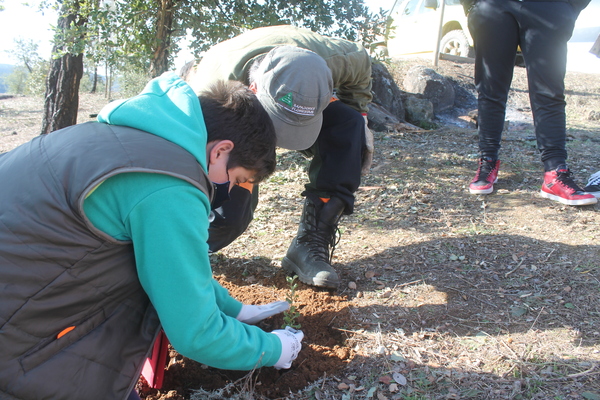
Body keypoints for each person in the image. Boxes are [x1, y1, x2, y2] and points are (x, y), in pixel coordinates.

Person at [0, 73, 304, 400]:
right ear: (220, 151)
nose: (228, 192)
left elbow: (166, 267)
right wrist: (275, 348)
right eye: (236, 179)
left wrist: (233, 309)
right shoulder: (171, 185)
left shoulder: (121, 137)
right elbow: (197, 334)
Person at [184, 25, 374, 289]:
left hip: (298, 97)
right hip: (240, 116)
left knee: (349, 126)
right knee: (228, 217)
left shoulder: (338, 60)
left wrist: (360, 118)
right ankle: (184, 248)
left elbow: (362, 65)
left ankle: (309, 245)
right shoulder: (212, 90)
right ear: (252, 88)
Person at [464, 0, 598, 205]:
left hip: (548, 7)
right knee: (490, 90)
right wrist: (473, 6)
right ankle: (487, 162)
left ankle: (555, 173)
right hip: (493, 6)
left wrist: (568, 7)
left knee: (549, 92)